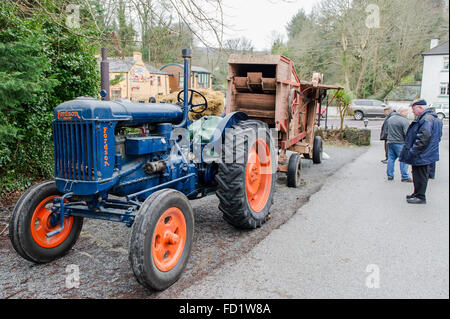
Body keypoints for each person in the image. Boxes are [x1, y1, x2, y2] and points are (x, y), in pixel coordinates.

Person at [399, 99, 443, 204]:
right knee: (419, 175)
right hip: (426, 153)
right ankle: (417, 193)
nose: (413, 112)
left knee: (420, 176)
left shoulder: (426, 119)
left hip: (422, 154)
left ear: (420, 107)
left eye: (414, 109)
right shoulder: (433, 118)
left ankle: (420, 196)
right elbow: (438, 137)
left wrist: (413, 151)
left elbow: (423, 138)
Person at [386, 106, 412, 182]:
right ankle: (405, 176)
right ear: (402, 112)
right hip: (400, 142)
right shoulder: (404, 120)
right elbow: (407, 133)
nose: (407, 113)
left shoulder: (390, 119)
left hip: (390, 142)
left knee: (391, 159)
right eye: (406, 111)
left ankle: (390, 175)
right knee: (403, 160)